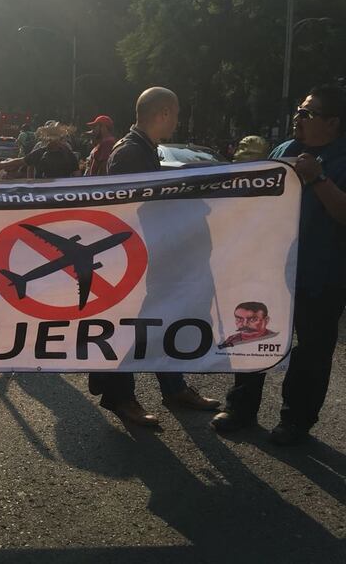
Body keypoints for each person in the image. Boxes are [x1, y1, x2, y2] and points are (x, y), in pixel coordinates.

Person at [212, 84, 346, 444]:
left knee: (312, 351)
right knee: (250, 336)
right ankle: (240, 408)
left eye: (308, 113)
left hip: (320, 276)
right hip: (268, 270)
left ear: (333, 123)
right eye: (298, 111)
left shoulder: (341, 159)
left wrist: (317, 178)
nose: (298, 118)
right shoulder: (284, 151)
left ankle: (295, 421)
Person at [87, 87, 220, 426]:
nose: (177, 122)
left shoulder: (142, 149)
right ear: (163, 113)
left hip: (155, 253)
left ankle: (173, 387)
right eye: (176, 115)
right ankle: (119, 396)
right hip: (138, 257)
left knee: (163, 320)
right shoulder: (130, 153)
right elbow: (134, 209)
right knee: (134, 327)